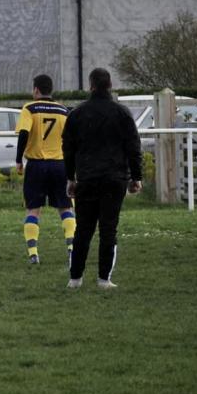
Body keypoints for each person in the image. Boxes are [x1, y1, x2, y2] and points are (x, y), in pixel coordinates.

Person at [61, 68, 142, 290]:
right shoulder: (122, 113)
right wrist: (136, 177)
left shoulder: (77, 114)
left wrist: (70, 177)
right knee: (109, 229)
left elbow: (68, 148)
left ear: (91, 85)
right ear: (110, 85)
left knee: (83, 230)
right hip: (114, 179)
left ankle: (75, 278)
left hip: (87, 178)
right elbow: (133, 147)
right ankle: (104, 279)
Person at [14, 74, 74, 265]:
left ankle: (33, 253)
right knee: (66, 208)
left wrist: (18, 160)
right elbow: (71, 141)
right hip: (59, 165)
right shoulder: (63, 111)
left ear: (36, 90)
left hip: (37, 165)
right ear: (51, 90)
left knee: (33, 210)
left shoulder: (29, 108)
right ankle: (72, 249)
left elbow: (23, 133)